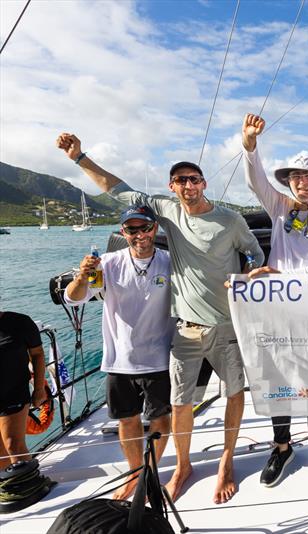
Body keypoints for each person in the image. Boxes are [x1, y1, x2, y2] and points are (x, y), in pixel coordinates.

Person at [56, 133, 264, 504]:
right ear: (172, 187)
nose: (188, 185)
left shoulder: (230, 220)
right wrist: (79, 157)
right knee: (180, 405)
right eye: (180, 180)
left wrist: (249, 274)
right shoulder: (166, 212)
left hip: (228, 326)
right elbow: (116, 188)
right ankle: (183, 466)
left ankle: (227, 462)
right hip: (187, 330)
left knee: (234, 395)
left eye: (194, 178)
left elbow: (253, 253)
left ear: (203, 183)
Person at [241, 113, 308, 486]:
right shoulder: (279, 207)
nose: (302, 182)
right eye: (296, 177)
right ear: (289, 182)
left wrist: (283, 276)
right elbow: (255, 180)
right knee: (277, 378)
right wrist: (250, 145)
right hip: (275, 311)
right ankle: (281, 447)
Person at [64, 205, 173, 500]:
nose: (140, 235)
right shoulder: (108, 263)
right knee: (127, 420)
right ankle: (136, 473)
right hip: (120, 358)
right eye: (132, 229)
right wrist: (82, 277)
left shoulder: (170, 261)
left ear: (155, 229)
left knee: (162, 419)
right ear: (123, 232)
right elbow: (73, 299)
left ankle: (151, 469)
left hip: (160, 356)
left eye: (145, 227)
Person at [0, 310, 47, 470]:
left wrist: (39, 388)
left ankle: (30, 486)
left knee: (14, 445)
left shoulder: (20, 322)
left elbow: (38, 354)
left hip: (14, 393)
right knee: (1, 453)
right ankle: (11, 490)